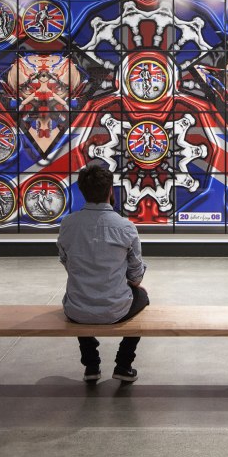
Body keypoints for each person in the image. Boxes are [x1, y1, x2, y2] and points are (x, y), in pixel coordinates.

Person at [58, 164, 149, 383]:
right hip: (115, 309)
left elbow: (67, 262)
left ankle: (91, 365)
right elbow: (136, 276)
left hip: (76, 309)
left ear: (82, 191)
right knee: (143, 296)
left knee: (81, 294)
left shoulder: (67, 224)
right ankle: (124, 364)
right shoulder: (125, 227)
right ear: (111, 191)